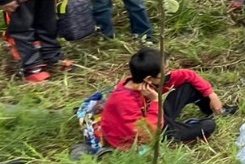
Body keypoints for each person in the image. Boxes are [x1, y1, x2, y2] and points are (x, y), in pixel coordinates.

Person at [98, 48, 234, 149]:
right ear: (149, 79)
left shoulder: (142, 83)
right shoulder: (124, 101)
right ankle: (184, 132)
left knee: (190, 87)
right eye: (165, 71)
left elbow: (188, 75)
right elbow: (147, 134)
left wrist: (212, 95)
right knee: (208, 126)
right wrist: (156, 101)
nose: (169, 73)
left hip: (155, 116)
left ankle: (217, 110)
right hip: (148, 133)